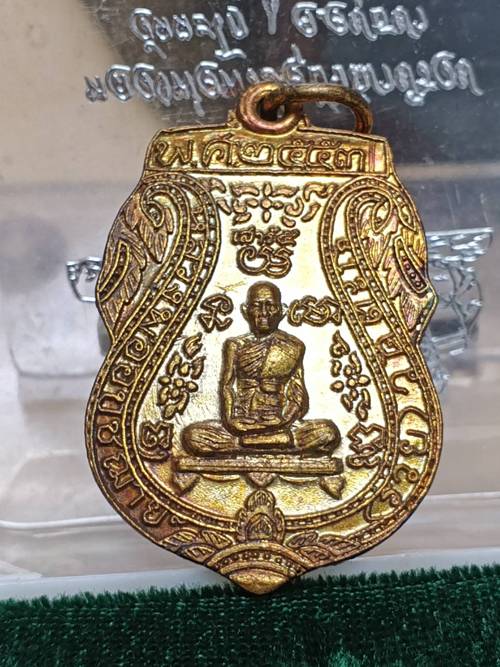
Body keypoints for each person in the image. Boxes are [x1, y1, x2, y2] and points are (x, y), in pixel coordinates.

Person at [182, 281, 339, 456]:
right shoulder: (235, 345)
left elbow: (297, 393)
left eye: (271, 306)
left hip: (278, 422)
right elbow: (227, 386)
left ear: (281, 311)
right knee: (192, 436)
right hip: (243, 423)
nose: (264, 313)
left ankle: (246, 445)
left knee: (328, 433)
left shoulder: (293, 346)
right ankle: (273, 444)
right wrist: (231, 421)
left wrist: (284, 419)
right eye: (257, 306)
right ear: (245, 310)